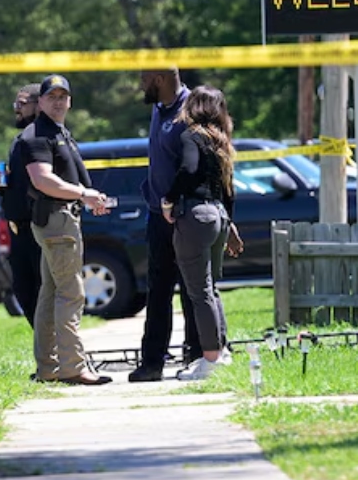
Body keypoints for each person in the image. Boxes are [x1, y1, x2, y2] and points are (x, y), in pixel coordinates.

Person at [23, 74, 114, 386]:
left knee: (51, 294)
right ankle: (73, 367)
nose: (58, 102)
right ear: (41, 101)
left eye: (63, 96)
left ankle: (48, 367)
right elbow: (42, 179)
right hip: (57, 220)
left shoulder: (59, 132)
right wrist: (82, 194)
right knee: (71, 293)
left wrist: (89, 198)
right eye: (52, 97)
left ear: (70, 101)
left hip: (62, 218)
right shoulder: (37, 134)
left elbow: (69, 176)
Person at [164, 86, 245, 380]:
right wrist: (230, 224)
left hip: (196, 215)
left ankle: (209, 359)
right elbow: (229, 191)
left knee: (199, 291)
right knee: (211, 289)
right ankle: (220, 352)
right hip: (219, 216)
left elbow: (187, 169)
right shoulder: (222, 142)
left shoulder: (192, 136)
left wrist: (168, 199)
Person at [131, 67, 203, 382]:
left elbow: (195, 165)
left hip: (186, 214)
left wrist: (175, 199)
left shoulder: (192, 110)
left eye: (144, 79)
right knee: (157, 290)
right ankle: (152, 362)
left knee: (193, 288)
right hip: (158, 217)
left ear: (159, 79)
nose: (140, 85)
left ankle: (199, 355)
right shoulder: (158, 110)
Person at [0, 83, 42, 326]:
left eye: (22, 104)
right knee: (23, 290)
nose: (16, 109)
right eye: (15, 104)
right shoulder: (19, 140)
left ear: (38, 104)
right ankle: (46, 354)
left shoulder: (43, 137)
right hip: (18, 227)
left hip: (39, 226)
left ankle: (55, 355)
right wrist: (2, 182)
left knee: (42, 292)